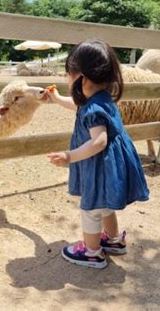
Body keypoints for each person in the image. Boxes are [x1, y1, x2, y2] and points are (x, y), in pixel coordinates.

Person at [45, 40, 150, 269]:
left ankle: (92, 252)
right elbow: (77, 105)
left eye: (68, 74)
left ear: (81, 77)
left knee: (91, 208)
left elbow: (99, 141)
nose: (67, 79)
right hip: (111, 165)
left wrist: (69, 156)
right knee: (105, 205)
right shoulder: (101, 99)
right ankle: (113, 241)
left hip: (100, 166)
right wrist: (56, 99)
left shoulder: (93, 108)